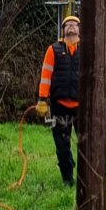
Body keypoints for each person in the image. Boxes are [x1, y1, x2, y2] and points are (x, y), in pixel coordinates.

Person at [36, 14, 80, 186]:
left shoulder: (87, 50)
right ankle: (68, 179)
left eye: (74, 24)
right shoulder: (53, 50)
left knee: (86, 145)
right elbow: (46, 75)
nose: (71, 26)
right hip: (59, 106)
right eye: (67, 24)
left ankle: (87, 179)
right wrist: (42, 100)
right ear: (63, 30)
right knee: (62, 146)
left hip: (81, 108)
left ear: (79, 29)